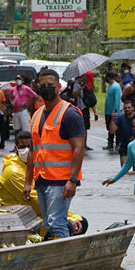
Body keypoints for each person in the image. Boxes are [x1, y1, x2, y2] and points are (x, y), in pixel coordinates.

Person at [23, 68, 86, 239]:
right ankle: (75, 229)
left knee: (56, 223)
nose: (46, 88)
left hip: (61, 181)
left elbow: (79, 148)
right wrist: (28, 182)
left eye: (50, 85)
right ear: (37, 87)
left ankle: (66, 260)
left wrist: (72, 180)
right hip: (42, 179)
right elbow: (32, 151)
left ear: (59, 87)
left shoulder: (70, 114)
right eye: (42, 85)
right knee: (49, 223)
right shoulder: (36, 115)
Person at [0, 132, 87, 236]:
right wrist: (69, 219)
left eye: (29, 147)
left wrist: (71, 218)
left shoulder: (36, 165)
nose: (27, 151)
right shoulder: (12, 171)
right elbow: (35, 202)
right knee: (65, 226)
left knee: (82, 222)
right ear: (16, 149)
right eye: (22, 147)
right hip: (22, 219)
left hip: (36, 215)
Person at [111, 101, 135, 166]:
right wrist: (112, 119)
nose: (127, 109)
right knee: (124, 171)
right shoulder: (120, 118)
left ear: (133, 108)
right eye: (125, 108)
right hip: (124, 147)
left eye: (129, 107)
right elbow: (112, 131)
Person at [103, 71, 122, 151]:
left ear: (108, 77)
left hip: (113, 112)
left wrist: (115, 111)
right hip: (108, 111)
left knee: (116, 129)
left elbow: (117, 100)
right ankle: (110, 144)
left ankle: (117, 144)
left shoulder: (116, 87)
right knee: (109, 128)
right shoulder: (111, 86)